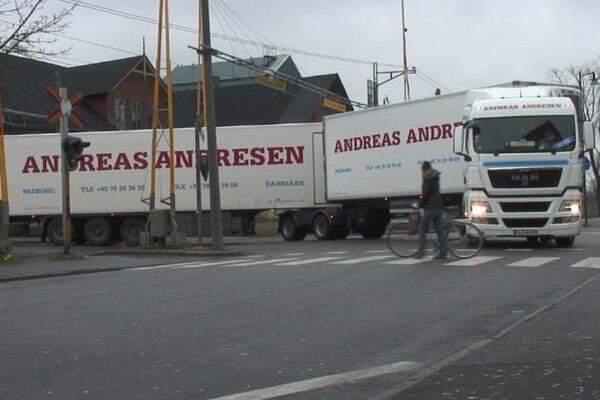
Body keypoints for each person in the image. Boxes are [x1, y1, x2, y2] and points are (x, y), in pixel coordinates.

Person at [416, 161, 448, 259]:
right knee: (439, 231)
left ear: (424, 169)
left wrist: (420, 204)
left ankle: (421, 252)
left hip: (431, 207)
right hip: (438, 206)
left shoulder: (428, 178)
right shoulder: (435, 177)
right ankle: (443, 252)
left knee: (422, 229)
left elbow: (426, 194)